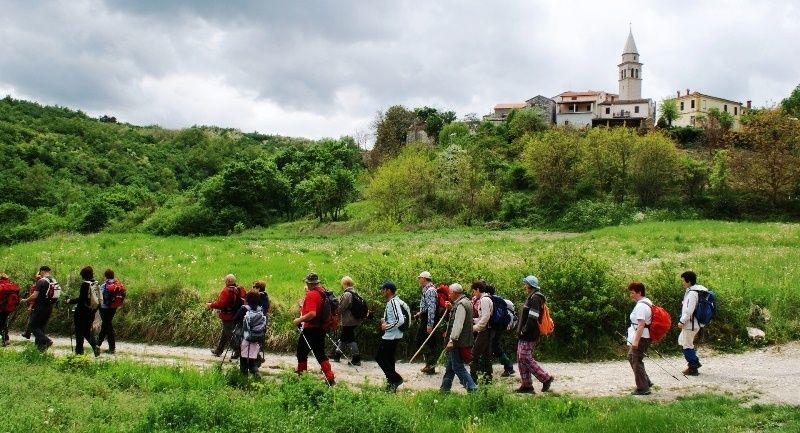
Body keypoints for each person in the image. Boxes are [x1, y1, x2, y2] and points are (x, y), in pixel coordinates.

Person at [292, 273, 335, 386]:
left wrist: (299, 320)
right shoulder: (322, 292)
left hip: (311, 328)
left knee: (301, 353)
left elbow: (312, 313)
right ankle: (330, 378)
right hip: (321, 327)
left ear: (308, 283)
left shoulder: (311, 294)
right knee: (320, 353)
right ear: (317, 282)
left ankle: (302, 378)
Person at [515, 275, 554, 394]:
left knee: (525, 357)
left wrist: (524, 330)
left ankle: (545, 378)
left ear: (530, 285)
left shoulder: (536, 298)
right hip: (525, 334)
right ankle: (527, 386)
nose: (524, 286)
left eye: (525, 283)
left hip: (529, 334)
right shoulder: (532, 297)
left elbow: (533, 317)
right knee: (520, 358)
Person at [440, 283, 478, 393]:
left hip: (458, 342)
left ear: (455, 293)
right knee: (450, 367)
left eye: (450, 293)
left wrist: (452, 340)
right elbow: (459, 317)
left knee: (457, 367)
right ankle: (444, 389)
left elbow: (458, 324)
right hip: (461, 340)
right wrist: (451, 309)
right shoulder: (465, 302)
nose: (449, 295)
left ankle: (472, 389)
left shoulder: (461, 305)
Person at [376, 280, 406, 392]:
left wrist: (386, 327)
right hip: (394, 335)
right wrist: (385, 321)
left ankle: (396, 379)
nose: (381, 291)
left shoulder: (393, 302)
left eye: (383, 289)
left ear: (388, 290)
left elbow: (400, 320)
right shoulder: (393, 301)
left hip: (391, 335)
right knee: (389, 359)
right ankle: (391, 385)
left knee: (379, 357)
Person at [20, 266, 58, 351]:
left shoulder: (42, 281)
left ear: (42, 271)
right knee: (41, 328)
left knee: (32, 326)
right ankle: (40, 350)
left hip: (40, 307)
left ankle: (47, 341)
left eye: (40, 272)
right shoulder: (54, 281)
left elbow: (34, 295)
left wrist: (25, 300)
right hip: (49, 307)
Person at [65, 266, 101, 357]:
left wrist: (70, 301)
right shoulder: (96, 283)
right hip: (91, 312)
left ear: (83, 275)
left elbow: (81, 299)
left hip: (81, 313)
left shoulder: (85, 284)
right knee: (86, 332)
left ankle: (79, 354)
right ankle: (95, 345)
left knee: (79, 333)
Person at [207, 274, 245, 358]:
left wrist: (211, 305)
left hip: (228, 316)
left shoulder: (226, 291)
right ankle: (218, 350)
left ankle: (238, 350)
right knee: (225, 333)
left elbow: (221, 304)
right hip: (238, 314)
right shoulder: (240, 289)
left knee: (229, 334)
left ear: (227, 281)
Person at [678, 270, 707, 376]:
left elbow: (689, 311)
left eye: (684, 281)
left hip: (690, 324)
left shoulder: (692, 294)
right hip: (697, 323)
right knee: (685, 342)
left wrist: (681, 321)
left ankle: (693, 366)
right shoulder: (699, 291)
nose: (683, 283)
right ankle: (694, 363)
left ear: (689, 282)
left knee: (687, 345)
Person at [627, 281, 653, 395]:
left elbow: (641, 324)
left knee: (636, 360)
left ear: (639, 292)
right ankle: (645, 381)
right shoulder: (646, 302)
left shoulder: (641, 306)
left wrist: (635, 342)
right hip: (642, 336)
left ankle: (643, 388)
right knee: (631, 357)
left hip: (641, 337)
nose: (631, 295)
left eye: (632, 293)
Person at [484, 283, 516, 377]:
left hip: (491, 327)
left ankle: (508, 367)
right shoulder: (498, 299)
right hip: (499, 327)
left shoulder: (488, 300)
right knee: (495, 346)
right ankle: (508, 367)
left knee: (492, 347)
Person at [331, 276, 363, 366]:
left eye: (342, 284)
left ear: (345, 284)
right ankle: (337, 355)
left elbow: (341, 308)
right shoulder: (356, 293)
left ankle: (356, 358)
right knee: (344, 337)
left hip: (348, 320)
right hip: (356, 319)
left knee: (350, 338)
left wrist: (335, 312)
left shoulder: (347, 294)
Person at [414, 271, 440, 375]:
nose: (419, 279)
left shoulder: (430, 290)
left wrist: (430, 324)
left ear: (424, 279)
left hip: (429, 319)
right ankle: (430, 366)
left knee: (420, 341)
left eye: (420, 277)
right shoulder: (427, 290)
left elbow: (431, 308)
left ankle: (431, 364)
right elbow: (426, 307)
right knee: (429, 342)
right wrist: (419, 313)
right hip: (426, 318)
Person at [233, 290, 265, 376]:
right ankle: (257, 380)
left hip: (245, 337)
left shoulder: (244, 308)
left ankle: (243, 381)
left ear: (247, 299)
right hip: (256, 338)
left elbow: (235, 320)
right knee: (252, 361)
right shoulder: (260, 309)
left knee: (243, 361)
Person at [470, 280, 494, 384]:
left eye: (474, 291)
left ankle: (472, 380)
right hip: (489, 330)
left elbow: (485, 318)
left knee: (474, 355)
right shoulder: (488, 298)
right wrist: (473, 321)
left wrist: (475, 328)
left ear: (478, 289)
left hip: (484, 331)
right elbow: (483, 317)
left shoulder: (484, 300)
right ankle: (487, 380)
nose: (474, 294)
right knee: (486, 355)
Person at [98, 269, 120, 354]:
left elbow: (100, 297)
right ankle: (97, 344)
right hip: (113, 307)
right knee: (105, 325)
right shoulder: (116, 284)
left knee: (108, 326)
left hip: (104, 308)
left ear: (105, 276)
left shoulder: (104, 285)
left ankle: (112, 347)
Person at [0, 273, 20, 346]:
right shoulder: (12, 286)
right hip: (9, 308)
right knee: (3, 322)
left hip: (1, 307)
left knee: (1, 323)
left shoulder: (1, 286)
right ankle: (6, 339)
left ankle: (5, 339)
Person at [21, 272, 41, 340]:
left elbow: (33, 298)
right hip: (40, 305)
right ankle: (27, 333)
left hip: (34, 306)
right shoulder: (44, 285)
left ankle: (28, 333)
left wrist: (30, 306)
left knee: (31, 320)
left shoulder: (36, 286)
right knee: (33, 320)